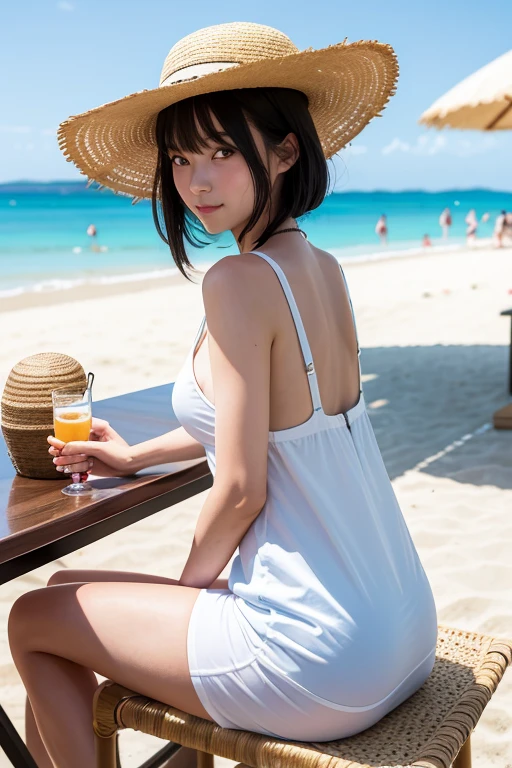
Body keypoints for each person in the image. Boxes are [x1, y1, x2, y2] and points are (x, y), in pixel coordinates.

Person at [9, 22, 437, 767]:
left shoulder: (238, 283)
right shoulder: (325, 270)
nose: (196, 182)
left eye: (222, 151)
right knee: (67, 586)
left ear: (285, 149)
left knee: (31, 620)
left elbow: (240, 487)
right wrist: (134, 453)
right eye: (180, 157)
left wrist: (188, 594)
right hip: (401, 624)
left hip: (321, 654)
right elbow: (279, 425)